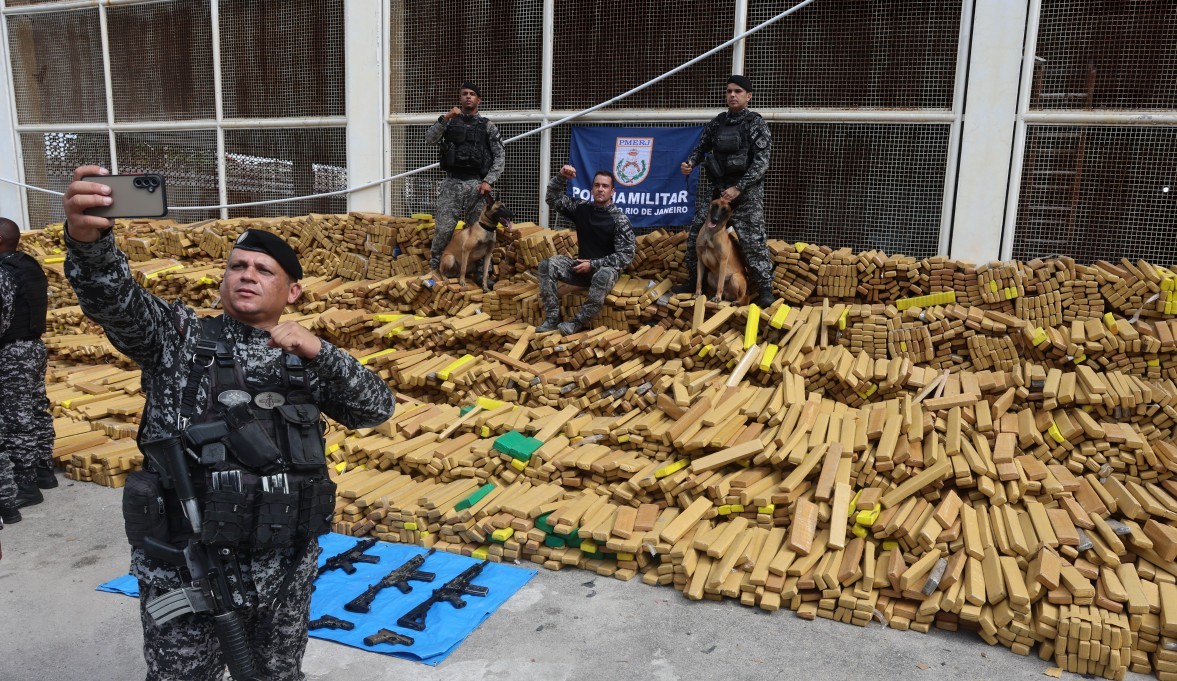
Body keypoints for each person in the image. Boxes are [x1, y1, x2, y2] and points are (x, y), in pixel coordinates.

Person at [63, 165, 395, 681]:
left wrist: (322, 353)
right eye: (238, 266)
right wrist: (90, 243)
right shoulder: (177, 339)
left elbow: (376, 408)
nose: (247, 275)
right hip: (187, 558)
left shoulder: (306, 357)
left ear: (294, 292)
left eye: (264, 270)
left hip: (282, 564)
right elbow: (116, 302)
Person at [676, 74, 776, 308]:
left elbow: (762, 162)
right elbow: (700, 149)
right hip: (718, 196)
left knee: (753, 243)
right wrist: (690, 163)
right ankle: (694, 281)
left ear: (748, 96)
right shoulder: (718, 123)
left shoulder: (756, 124)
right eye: (729, 90)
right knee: (695, 238)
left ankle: (764, 290)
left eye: (738, 91)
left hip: (746, 196)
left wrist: (739, 187)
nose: (732, 95)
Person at [0, 217, 56, 525]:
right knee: (36, 410)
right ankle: (44, 470)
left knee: (16, 418)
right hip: (33, 347)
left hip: (11, 353)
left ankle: (26, 484)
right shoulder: (27, 265)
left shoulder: (2, 273)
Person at [536, 165, 636, 335]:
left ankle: (577, 322)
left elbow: (626, 255)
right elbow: (552, 199)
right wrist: (561, 177)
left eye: (605, 186)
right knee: (547, 265)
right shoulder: (581, 208)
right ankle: (552, 318)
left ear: (612, 191)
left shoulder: (619, 220)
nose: (600, 189)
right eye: (597, 185)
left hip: (604, 271)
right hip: (581, 268)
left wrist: (594, 264)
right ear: (592, 189)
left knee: (603, 275)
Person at [424, 81, 506, 279]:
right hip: (451, 183)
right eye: (464, 94)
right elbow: (429, 139)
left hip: (476, 186)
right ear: (460, 98)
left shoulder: (487, 126)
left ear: (479, 99)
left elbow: (500, 156)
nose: (468, 97)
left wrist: (488, 181)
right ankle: (437, 268)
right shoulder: (450, 122)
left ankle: (479, 274)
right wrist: (446, 117)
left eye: (472, 94)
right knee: (443, 230)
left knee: (481, 232)